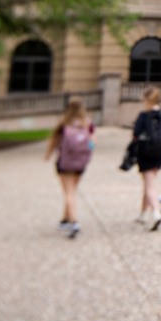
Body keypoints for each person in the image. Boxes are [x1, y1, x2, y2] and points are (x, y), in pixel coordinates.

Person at [44, 97, 95, 239]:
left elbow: (54, 141)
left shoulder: (64, 123)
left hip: (65, 162)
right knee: (72, 190)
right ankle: (65, 219)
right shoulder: (87, 124)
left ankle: (74, 222)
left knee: (69, 192)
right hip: (80, 163)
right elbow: (92, 143)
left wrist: (48, 154)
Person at [132, 86, 161, 231]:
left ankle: (156, 213)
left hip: (146, 152)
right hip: (160, 152)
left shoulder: (143, 115)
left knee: (149, 184)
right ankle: (143, 214)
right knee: (149, 182)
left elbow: (136, 135)